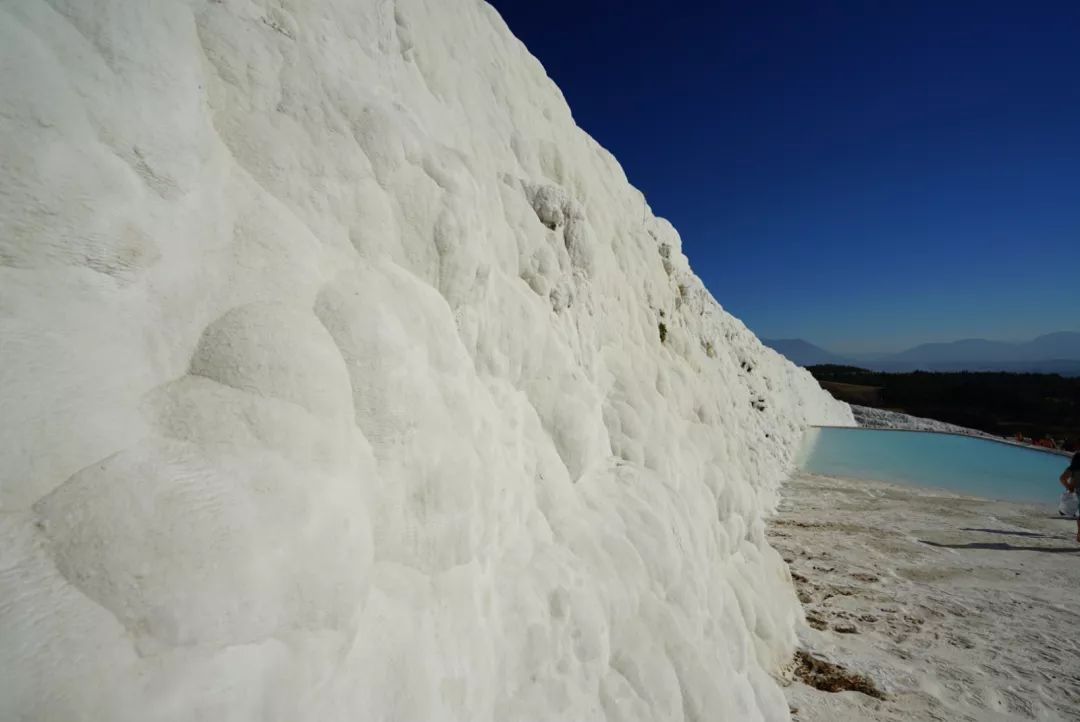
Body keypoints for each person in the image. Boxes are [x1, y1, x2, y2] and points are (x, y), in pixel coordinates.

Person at [1060, 451, 1080, 542]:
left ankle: (1079, 534)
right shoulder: (1072, 469)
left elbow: (1062, 478)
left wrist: (1069, 487)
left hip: (1075, 494)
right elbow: (1062, 478)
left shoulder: (1072, 469)